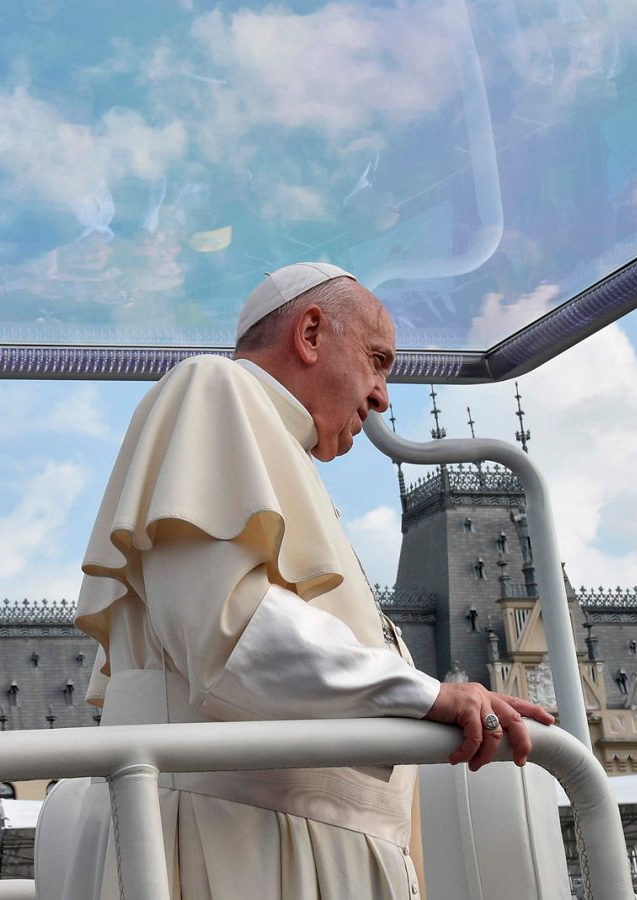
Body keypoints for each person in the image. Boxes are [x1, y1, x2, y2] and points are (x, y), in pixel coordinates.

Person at [41, 263, 555, 899]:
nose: (382, 396)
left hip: (295, 841)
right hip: (238, 841)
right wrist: (429, 696)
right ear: (310, 333)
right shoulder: (214, 386)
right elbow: (229, 630)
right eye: (376, 360)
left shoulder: (273, 439)